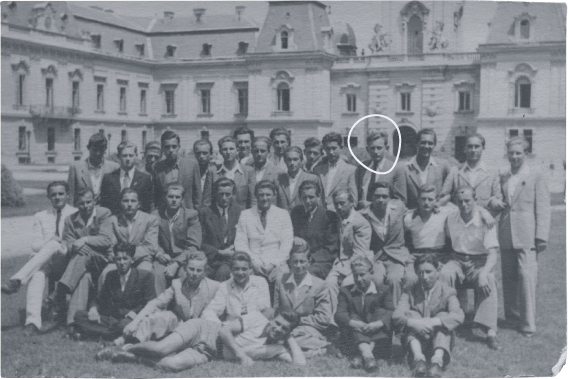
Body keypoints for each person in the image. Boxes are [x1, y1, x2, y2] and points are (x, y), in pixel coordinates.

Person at [95, 251, 219, 354]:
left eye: (199, 271)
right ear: (185, 268)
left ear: (205, 271)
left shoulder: (214, 287)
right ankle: (124, 342)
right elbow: (156, 303)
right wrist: (135, 322)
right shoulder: (177, 284)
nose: (194, 274)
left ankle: (127, 348)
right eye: (191, 269)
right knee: (162, 316)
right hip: (180, 323)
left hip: (199, 331)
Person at [102, 309, 305, 371]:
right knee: (161, 349)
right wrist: (241, 355)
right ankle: (129, 346)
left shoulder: (277, 347)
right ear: (272, 319)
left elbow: (299, 365)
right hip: (204, 330)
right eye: (277, 323)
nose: (277, 329)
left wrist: (291, 338)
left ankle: (131, 358)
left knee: (169, 365)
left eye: (284, 329)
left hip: (210, 352)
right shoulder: (257, 319)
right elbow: (225, 331)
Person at [0, 181, 77, 334]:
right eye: (53, 194)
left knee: (54, 245)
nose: (57, 197)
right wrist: (52, 240)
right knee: (37, 276)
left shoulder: (75, 212)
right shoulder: (40, 216)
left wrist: (59, 243)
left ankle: (17, 280)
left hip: (66, 260)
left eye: (61, 194)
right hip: (46, 261)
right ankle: (32, 323)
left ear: (67, 195)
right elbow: (35, 246)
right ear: (48, 196)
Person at [498, 136, 550, 337]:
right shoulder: (504, 176)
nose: (514, 156)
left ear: (525, 154)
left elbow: (544, 207)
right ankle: (512, 318)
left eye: (518, 153)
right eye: (511, 153)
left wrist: (541, 236)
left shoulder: (536, 175)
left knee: (527, 277)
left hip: (528, 235)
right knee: (509, 278)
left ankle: (528, 324)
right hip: (506, 234)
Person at [44, 188, 114, 330]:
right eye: (81, 203)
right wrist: (75, 247)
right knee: (84, 277)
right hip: (81, 265)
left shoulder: (104, 214)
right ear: (76, 205)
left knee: (83, 253)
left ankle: (59, 292)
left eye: (89, 202)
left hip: (103, 259)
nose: (86, 206)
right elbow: (68, 243)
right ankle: (73, 324)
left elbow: (106, 239)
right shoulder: (71, 220)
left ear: (94, 201)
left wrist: (84, 239)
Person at [439, 186, 500, 350]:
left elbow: (493, 254)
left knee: (489, 279)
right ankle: (446, 322)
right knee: (444, 274)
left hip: (479, 262)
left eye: (468, 201)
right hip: (457, 260)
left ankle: (490, 332)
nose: (464, 204)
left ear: (475, 201)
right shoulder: (451, 216)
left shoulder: (486, 221)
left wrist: (483, 273)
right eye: (460, 201)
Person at [392, 253, 465, 378]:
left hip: (440, 342)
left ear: (438, 270)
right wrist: (415, 323)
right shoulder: (410, 292)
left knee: (443, 315)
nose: (424, 277)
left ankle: (437, 362)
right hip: (416, 340)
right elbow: (396, 315)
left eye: (428, 272)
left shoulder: (447, 291)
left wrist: (435, 321)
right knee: (411, 314)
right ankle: (418, 360)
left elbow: (458, 315)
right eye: (420, 273)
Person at [72, 244, 155, 341]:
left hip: (133, 320)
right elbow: (99, 299)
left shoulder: (145, 276)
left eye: (125, 258)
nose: (122, 262)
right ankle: (113, 336)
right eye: (118, 259)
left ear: (132, 260)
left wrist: (133, 313)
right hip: (111, 320)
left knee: (124, 325)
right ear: (114, 260)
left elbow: (151, 304)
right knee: (79, 315)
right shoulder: (111, 276)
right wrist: (93, 309)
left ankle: (92, 334)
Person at [273, 245, 334, 358]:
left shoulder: (320, 285)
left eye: (302, 261)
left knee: (291, 339)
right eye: (295, 262)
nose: (298, 266)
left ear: (309, 262)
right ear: (289, 263)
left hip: (307, 328)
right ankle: (317, 350)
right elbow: (276, 309)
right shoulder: (281, 280)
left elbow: (323, 318)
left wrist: (297, 321)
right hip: (284, 326)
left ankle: (289, 347)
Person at [359, 182, 413, 307]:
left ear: (390, 197)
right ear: (371, 197)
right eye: (377, 196)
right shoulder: (364, 215)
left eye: (384, 196)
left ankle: (394, 315)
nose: (381, 200)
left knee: (394, 280)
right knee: (376, 280)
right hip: (376, 258)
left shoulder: (398, 207)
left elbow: (411, 211)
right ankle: (378, 314)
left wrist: (408, 216)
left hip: (396, 256)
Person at [335, 257, 394, 373]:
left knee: (382, 312)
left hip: (378, 335)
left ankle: (362, 354)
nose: (359, 279)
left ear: (371, 273)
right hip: (354, 333)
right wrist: (353, 323)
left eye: (362, 275)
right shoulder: (345, 291)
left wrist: (378, 323)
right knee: (351, 315)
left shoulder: (383, 290)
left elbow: (391, 312)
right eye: (355, 275)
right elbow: (339, 314)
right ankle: (368, 356)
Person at [234, 180, 293, 284]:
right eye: (261, 195)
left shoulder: (283, 214)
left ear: (274, 195)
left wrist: (274, 264)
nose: (265, 198)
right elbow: (240, 243)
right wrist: (253, 263)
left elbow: (286, 245)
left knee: (283, 279)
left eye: (268, 194)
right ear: (255, 195)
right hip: (252, 263)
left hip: (277, 263)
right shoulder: (245, 215)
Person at [100, 189, 158, 288]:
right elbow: (111, 245)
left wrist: (129, 256)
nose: (129, 204)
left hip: (141, 260)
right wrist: (121, 258)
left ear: (139, 204)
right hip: (119, 260)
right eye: (126, 201)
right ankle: (103, 302)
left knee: (145, 273)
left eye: (133, 201)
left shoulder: (150, 220)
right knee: (106, 273)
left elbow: (150, 246)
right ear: (120, 203)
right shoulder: (113, 220)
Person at [152, 183, 202, 294]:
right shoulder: (155, 215)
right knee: (157, 275)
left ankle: (183, 309)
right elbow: (152, 239)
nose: (174, 200)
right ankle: (158, 309)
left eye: (177, 197)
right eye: (170, 196)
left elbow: (193, 246)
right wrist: (159, 253)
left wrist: (176, 264)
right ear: (165, 198)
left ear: (182, 199)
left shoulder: (191, 216)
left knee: (185, 275)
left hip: (184, 259)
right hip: (163, 258)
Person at [440, 133, 503, 215]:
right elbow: (444, 197)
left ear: (483, 148)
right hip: (460, 222)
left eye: (477, 146)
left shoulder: (492, 172)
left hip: (484, 223)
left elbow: (497, 200)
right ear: (464, 149)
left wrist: (487, 215)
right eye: (470, 146)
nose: (473, 150)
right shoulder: (455, 171)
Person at [201, 252, 271, 323]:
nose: (240, 273)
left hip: (256, 328)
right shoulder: (224, 286)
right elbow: (209, 311)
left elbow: (266, 311)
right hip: (231, 330)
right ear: (231, 270)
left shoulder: (260, 282)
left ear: (250, 269)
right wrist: (221, 326)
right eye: (236, 269)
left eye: (244, 269)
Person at [290, 180, 339, 280]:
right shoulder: (296, 213)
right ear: (300, 198)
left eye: (311, 197)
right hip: (298, 260)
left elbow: (331, 248)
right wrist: (293, 238)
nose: (308, 201)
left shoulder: (329, 217)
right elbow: (287, 234)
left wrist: (308, 258)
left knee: (305, 275)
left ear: (318, 197)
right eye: (304, 197)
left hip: (319, 261)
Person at [325, 189, 373, 290]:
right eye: (336, 204)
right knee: (329, 284)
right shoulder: (337, 217)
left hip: (355, 266)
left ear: (351, 203)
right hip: (338, 263)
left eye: (342, 203)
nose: (338, 207)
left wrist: (344, 272)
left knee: (346, 284)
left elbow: (360, 253)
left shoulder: (361, 223)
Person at [199, 178, 244, 282]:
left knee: (223, 272)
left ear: (233, 194)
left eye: (228, 194)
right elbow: (200, 242)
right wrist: (219, 252)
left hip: (230, 259)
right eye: (221, 194)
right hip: (210, 259)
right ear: (215, 194)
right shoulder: (204, 213)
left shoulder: (240, 212)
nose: (224, 198)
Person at [402, 128, 451, 210]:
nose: (426, 146)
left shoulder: (443, 166)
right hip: (412, 217)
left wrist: (439, 204)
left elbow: (451, 192)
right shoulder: (404, 168)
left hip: (436, 216)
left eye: (430, 143)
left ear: (434, 145)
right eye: (423, 143)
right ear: (416, 143)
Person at [355, 131, 406, 209]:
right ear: (367, 149)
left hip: (384, 217)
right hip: (362, 216)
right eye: (372, 148)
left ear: (386, 148)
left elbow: (401, 201)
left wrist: (372, 205)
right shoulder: (361, 167)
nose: (376, 152)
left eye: (379, 148)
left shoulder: (396, 169)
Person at [100, 141, 153, 215]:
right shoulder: (108, 178)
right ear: (118, 157)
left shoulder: (145, 179)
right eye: (124, 155)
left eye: (131, 155)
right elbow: (104, 205)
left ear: (136, 155)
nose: (128, 159)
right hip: (114, 221)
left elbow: (147, 206)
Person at [153, 130, 202, 210]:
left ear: (179, 146)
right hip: (165, 215)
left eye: (174, 146)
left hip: (186, 214)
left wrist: (195, 214)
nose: (171, 150)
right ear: (162, 148)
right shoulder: (157, 167)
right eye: (167, 147)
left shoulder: (192, 165)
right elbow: (155, 195)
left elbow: (198, 195)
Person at [67, 133, 119, 205]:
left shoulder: (114, 167)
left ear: (105, 149)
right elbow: (71, 196)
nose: (98, 153)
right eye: (95, 150)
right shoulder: (76, 167)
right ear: (88, 148)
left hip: (105, 213)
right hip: (82, 212)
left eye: (101, 150)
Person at [314, 132, 357, 211]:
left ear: (341, 147)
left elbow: (354, 199)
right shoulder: (318, 170)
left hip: (340, 213)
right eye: (328, 148)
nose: (331, 152)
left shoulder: (350, 170)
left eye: (334, 148)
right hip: (322, 213)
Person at [275, 146, 321, 212]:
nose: (292, 163)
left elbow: (318, 204)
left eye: (295, 159)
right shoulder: (278, 179)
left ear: (301, 160)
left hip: (304, 218)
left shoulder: (312, 178)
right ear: (284, 160)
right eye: (289, 159)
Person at [216, 136, 256, 209]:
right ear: (220, 152)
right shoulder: (213, 171)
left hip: (243, 215)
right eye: (225, 149)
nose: (228, 152)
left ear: (237, 150)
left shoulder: (248, 171)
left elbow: (253, 200)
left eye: (231, 149)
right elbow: (207, 200)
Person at [193, 139, 217, 207]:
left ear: (211, 153)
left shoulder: (216, 171)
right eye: (198, 153)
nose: (201, 156)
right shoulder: (190, 172)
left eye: (205, 153)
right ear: (194, 153)